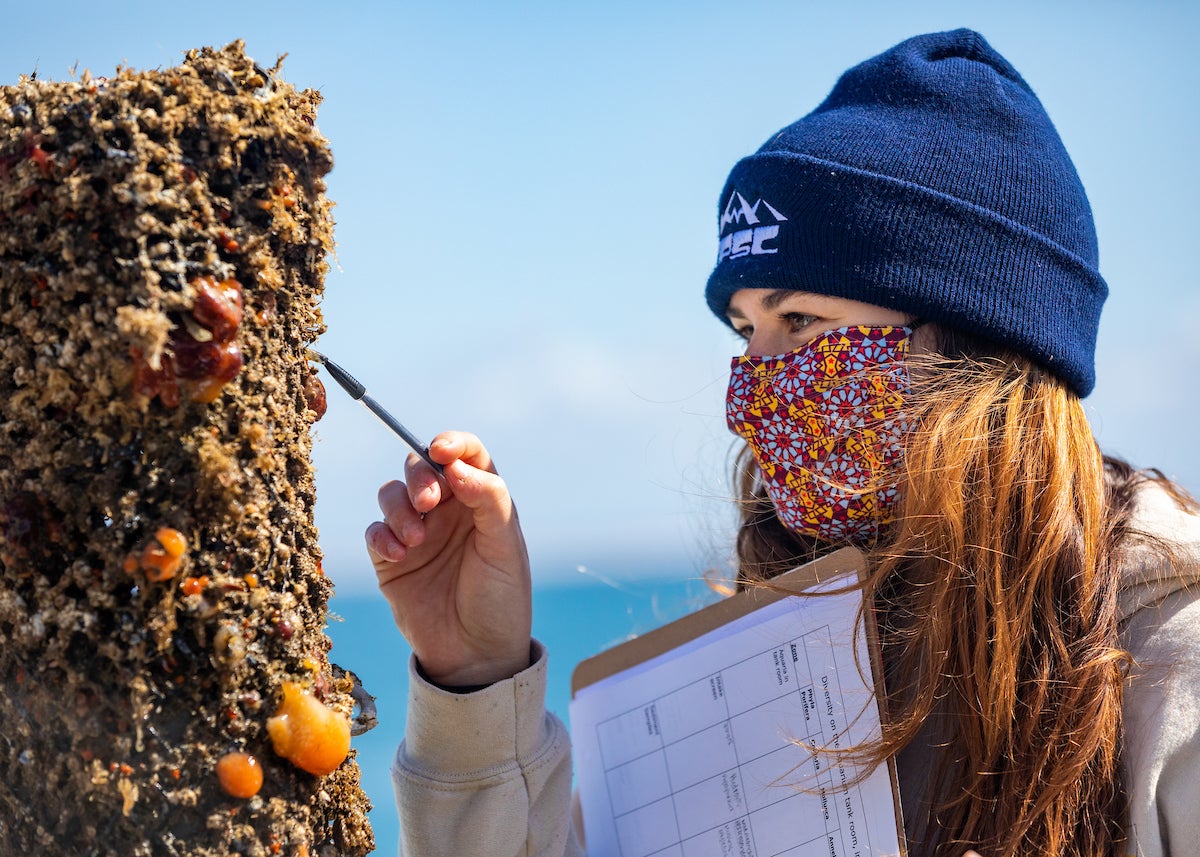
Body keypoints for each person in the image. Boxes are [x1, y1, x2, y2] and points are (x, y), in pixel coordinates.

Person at [365, 29, 1200, 857]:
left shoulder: (1172, 653)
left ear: (975, 349)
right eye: (745, 329)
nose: (748, 395)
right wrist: (475, 680)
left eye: (798, 319)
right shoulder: (752, 665)